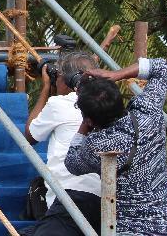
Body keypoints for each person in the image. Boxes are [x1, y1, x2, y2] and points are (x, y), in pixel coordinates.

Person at [65, 58, 167, 236]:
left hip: (127, 231)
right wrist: (117, 74)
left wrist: (84, 125)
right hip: (166, 226)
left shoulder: (96, 146)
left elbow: (71, 163)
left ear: (90, 119)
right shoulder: (148, 114)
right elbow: (162, 66)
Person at [24, 51, 101, 235]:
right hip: (103, 199)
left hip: (69, 198)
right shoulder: (106, 104)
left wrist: (45, 89)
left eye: (57, 76)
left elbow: (30, 135)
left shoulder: (59, 104)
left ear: (69, 80)